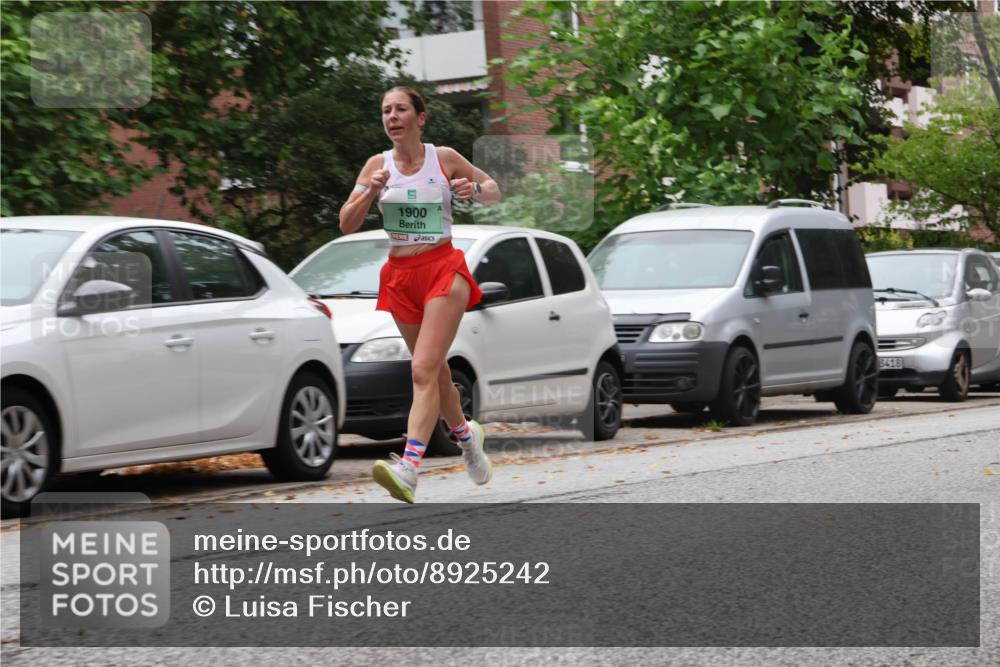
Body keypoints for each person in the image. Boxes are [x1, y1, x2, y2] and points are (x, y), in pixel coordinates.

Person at [338, 87, 501, 503]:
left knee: (422, 368)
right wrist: (370, 190)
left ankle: (409, 468)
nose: (392, 116)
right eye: (386, 110)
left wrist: (473, 190)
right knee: (436, 372)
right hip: (400, 277)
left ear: (420, 117)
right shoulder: (377, 164)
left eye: (401, 109)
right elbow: (346, 223)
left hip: (443, 269)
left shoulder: (441, 157)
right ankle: (467, 440)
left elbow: (493, 188)